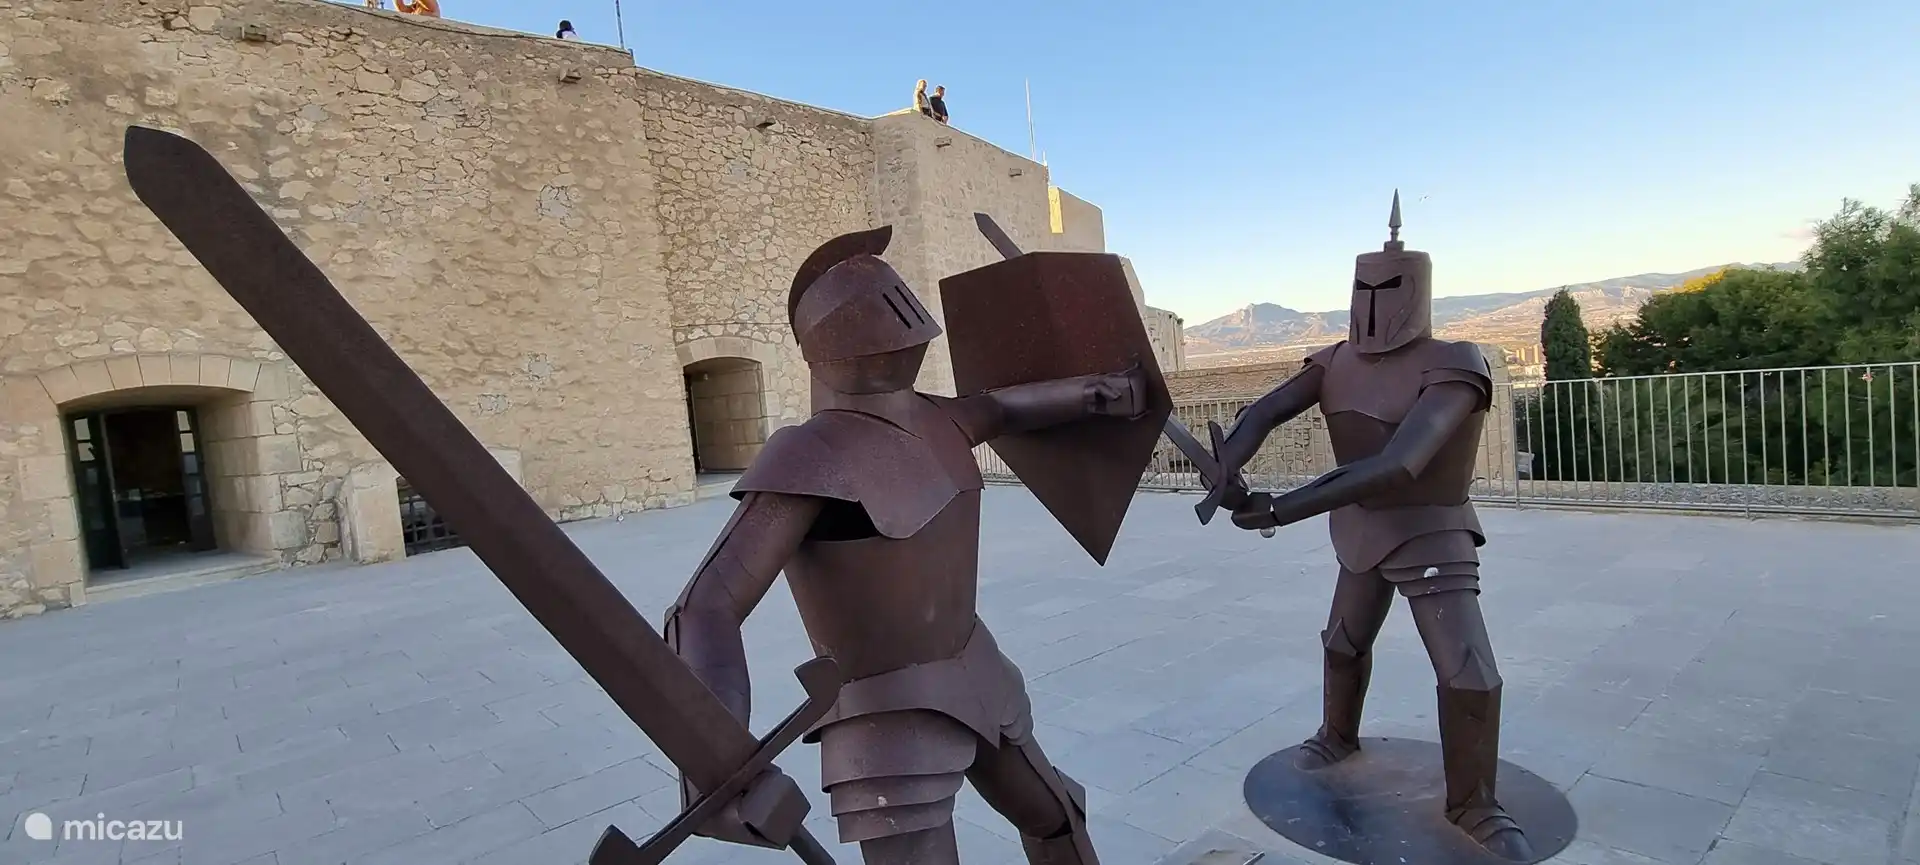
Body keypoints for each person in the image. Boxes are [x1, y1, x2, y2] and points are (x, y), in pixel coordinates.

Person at [664, 225, 1134, 863]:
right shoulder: (808, 456)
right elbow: (706, 607)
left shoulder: (936, 417)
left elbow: (999, 409)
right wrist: (717, 760)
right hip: (883, 713)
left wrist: (1090, 395)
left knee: (1058, 815)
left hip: (976, 667)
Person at [1207, 192, 1533, 861]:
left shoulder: (1455, 363)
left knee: (1469, 671)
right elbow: (1267, 409)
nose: (1374, 301)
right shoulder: (1333, 360)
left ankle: (1475, 802)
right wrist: (1228, 460)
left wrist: (1282, 508)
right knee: (1342, 641)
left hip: (1429, 528)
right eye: (1364, 287)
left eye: (1388, 288)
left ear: (1417, 289)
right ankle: (1337, 733)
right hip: (1358, 525)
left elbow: (1399, 464)